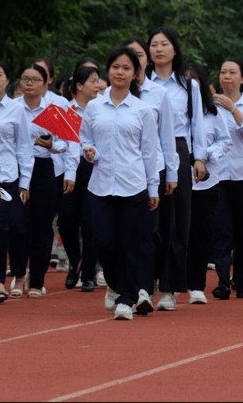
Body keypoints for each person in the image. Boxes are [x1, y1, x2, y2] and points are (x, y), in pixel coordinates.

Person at [79, 47, 160, 320]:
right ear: (108, 71)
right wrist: (89, 151)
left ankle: (127, 299)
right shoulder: (93, 107)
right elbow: (85, 138)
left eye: (126, 68)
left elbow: (149, 151)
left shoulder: (143, 110)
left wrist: (153, 188)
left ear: (135, 74)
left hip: (133, 185)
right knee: (103, 242)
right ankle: (114, 284)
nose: (120, 72)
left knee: (130, 244)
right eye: (115, 67)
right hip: (100, 184)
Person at [146, 27, 207, 311]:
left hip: (180, 150)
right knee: (148, 219)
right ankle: (147, 281)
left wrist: (200, 158)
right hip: (145, 151)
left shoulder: (188, 85)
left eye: (164, 44)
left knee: (177, 220)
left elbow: (197, 125)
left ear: (174, 50)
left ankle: (170, 288)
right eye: (154, 45)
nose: (158, 49)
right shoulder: (141, 84)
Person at [121, 38, 177, 313]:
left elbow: (167, 137)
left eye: (138, 55)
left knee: (147, 230)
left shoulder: (158, 93)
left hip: (152, 170)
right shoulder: (109, 96)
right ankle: (122, 283)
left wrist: (172, 172)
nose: (134, 60)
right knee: (120, 233)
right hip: (119, 174)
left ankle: (143, 289)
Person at [12, 63, 68, 298]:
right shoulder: (12, 108)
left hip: (44, 168)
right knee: (16, 224)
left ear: (46, 83)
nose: (30, 84)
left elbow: (68, 143)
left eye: (35, 80)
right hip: (15, 169)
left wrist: (51, 145)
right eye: (25, 79)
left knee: (41, 226)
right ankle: (18, 275)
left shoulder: (53, 109)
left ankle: (36, 280)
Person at [0, 61, 34, 301]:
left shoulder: (16, 109)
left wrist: (25, 181)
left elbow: (24, 146)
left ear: (7, 81)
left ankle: (15, 275)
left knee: (11, 226)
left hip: (8, 177)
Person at [210, 59, 243, 300]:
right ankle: (222, 281)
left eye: (232, 72)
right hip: (218, 176)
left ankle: (241, 281)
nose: (226, 76)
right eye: (223, 72)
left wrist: (232, 108)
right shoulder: (210, 106)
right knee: (221, 230)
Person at [184, 64, 230, 304]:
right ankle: (171, 281)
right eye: (185, 80)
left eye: (195, 80)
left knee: (201, 234)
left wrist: (205, 154)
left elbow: (224, 141)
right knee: (176, 233)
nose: (190, 85)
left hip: (206, 182)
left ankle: (196, 286)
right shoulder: (175, 112)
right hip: (177, 180)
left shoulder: (213, 113)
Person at [61, 61, 102, 293]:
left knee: (90, 223)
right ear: (79, 85)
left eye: (98, 80)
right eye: (92, 81)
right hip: (70, 168)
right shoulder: (66, 110)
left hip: (93, 166)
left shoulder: (102, 108)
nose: (97, 85)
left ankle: (88, 275)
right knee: (66, 224)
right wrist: (51, 145)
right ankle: (75, 261)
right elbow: (63, 144)